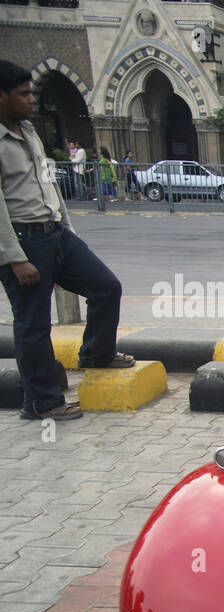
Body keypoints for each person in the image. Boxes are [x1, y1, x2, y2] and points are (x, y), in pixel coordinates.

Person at [0, 60, 132, 422]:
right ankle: (41, 403)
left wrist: (68, 231)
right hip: (23, 240)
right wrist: (14, 257)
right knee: (33, 323)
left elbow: (49, 185)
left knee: (106, 287)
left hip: (55, 232)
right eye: (23, 94)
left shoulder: (28, 131)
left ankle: (96, 353)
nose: (31, 100)